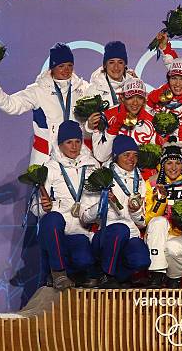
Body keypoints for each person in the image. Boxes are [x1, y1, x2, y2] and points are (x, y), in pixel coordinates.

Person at [0, 43, 90, 164]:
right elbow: (9, 105)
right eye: (61, 66)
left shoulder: (84, 88)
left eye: (70, 65)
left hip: (77, 160)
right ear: (52, 68)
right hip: (46, 159)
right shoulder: (38, 90)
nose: (66, 70)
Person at [34, 120, 100, 290]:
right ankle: (58, 273)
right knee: (52, 219)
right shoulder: (50, 168)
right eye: (69, 142)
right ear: (60, 144)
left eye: (77, 141)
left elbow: (96, 200)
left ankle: (74, 275)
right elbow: (36, 207)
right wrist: (45, 207)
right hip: (57, 231)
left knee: (84, 260)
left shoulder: (92, 166)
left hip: (81, 230)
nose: (74, 146)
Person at [81, 135, 150, 288]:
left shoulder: (140, 181)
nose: (132, 159)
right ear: (116, 156)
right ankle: (107, 274)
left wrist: (135, 211)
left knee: (142, 260)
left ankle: (116, 276)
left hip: (130, 233)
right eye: (126, 154)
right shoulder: (101, 176)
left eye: (135, 155)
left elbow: (142, 222)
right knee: (120, 230)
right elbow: (84, 217)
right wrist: (103, 202)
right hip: (105, 235)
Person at [144, 137, 182, 288]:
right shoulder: (152, 183)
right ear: (162, 164)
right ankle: (157, 274)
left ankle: (174, 279)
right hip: (157, 236)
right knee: (159, 222)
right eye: (169, 163)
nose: (173, 167)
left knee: (173, 248)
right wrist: (161, 200)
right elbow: (147, 220)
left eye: (178, 163)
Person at [146, 35, 182, 158]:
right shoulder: (161, 95)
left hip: (180, 160)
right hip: (156, 156)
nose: (177, 84)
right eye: (174, 78)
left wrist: (172, 145)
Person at [89, 77, 156, 164]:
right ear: (122, 98)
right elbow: (101, 157)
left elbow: (152, 159)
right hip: (113, 172)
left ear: (144, 100)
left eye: (139, 98)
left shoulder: (151, 121)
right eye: (130, 97)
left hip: (139, 173)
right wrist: (115, 126)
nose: (135, 103)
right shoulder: (106, 116)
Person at [87, 41, 136, 107]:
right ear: (104, 65)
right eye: (111, 62)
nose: (116, 67)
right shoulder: (94, 89)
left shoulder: (134, 86)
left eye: (120, 62)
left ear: (125, 65)